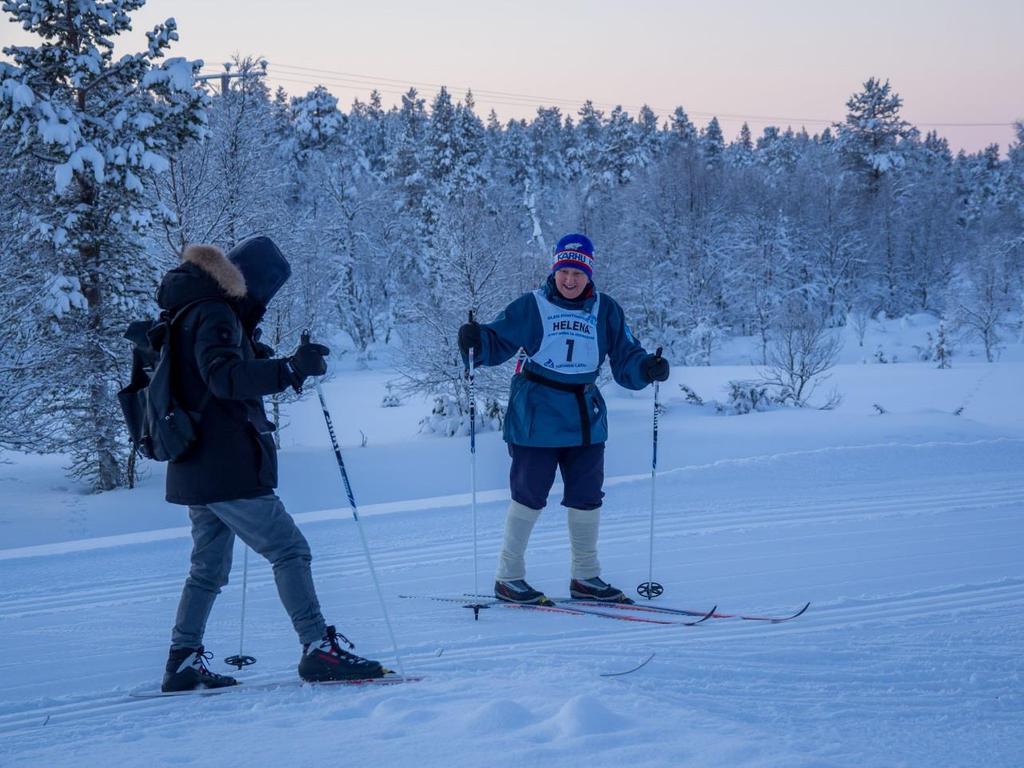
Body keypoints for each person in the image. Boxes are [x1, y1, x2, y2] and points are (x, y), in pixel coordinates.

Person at [156, 237, 384, 692]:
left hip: (197, 464)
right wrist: (289, 371)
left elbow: (208, 374)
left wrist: (261, 356)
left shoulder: (192, 310)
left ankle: (182, 660)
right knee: (289, 550)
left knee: (207, 569)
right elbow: (223, 378)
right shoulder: (214, 315)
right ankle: (317, 647)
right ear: (251, 284)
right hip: (225, 464)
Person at [458, 233, 669, 605]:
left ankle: (585, 577)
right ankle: (508, 577)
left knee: (587, 495)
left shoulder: (607, 310)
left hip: (585, 414)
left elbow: (626, 359)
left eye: (578, 272)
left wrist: (647, 368)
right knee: (529, 495)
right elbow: (496, 342)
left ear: (590, 274)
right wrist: (475, 340)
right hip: (536, 412)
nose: (570, 280)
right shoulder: (532, 306)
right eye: (564, 271)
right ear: (554, 271)